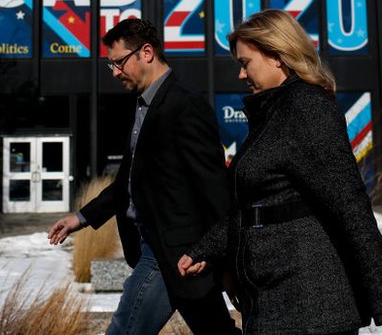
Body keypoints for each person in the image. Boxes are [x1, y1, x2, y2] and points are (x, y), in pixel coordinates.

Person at [177, 9, 382, 335]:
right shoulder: (273, 114)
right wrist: (207, 248)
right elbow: (260, 206)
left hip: (310, 305)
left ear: (278, 56)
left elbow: (348, 203)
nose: (241, 75)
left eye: (246, 63)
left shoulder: (306, 109)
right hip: (275, 297)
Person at [47, 18, 239, 335]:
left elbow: (214, 190)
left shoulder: (185, 106)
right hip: (165, 253)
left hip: (175, 252)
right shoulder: (142, 106)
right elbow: (128, 182)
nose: (114, 72)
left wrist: (222, 259)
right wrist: (80, 218)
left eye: (118, 62)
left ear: (146, 52)